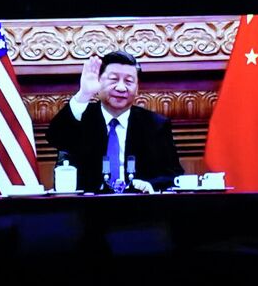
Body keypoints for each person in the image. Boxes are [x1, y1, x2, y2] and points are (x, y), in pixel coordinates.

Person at [46, 50, 185, 193]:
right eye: (113, 79)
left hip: (140, 208)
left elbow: (173, 174)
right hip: (86, 209)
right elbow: (55, 137)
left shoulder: (155, 125)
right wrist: (84, 94)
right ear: (99, 81)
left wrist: (150, 185)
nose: (120, 87)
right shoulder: (82, 117)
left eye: (129, 81)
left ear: (137, 89)